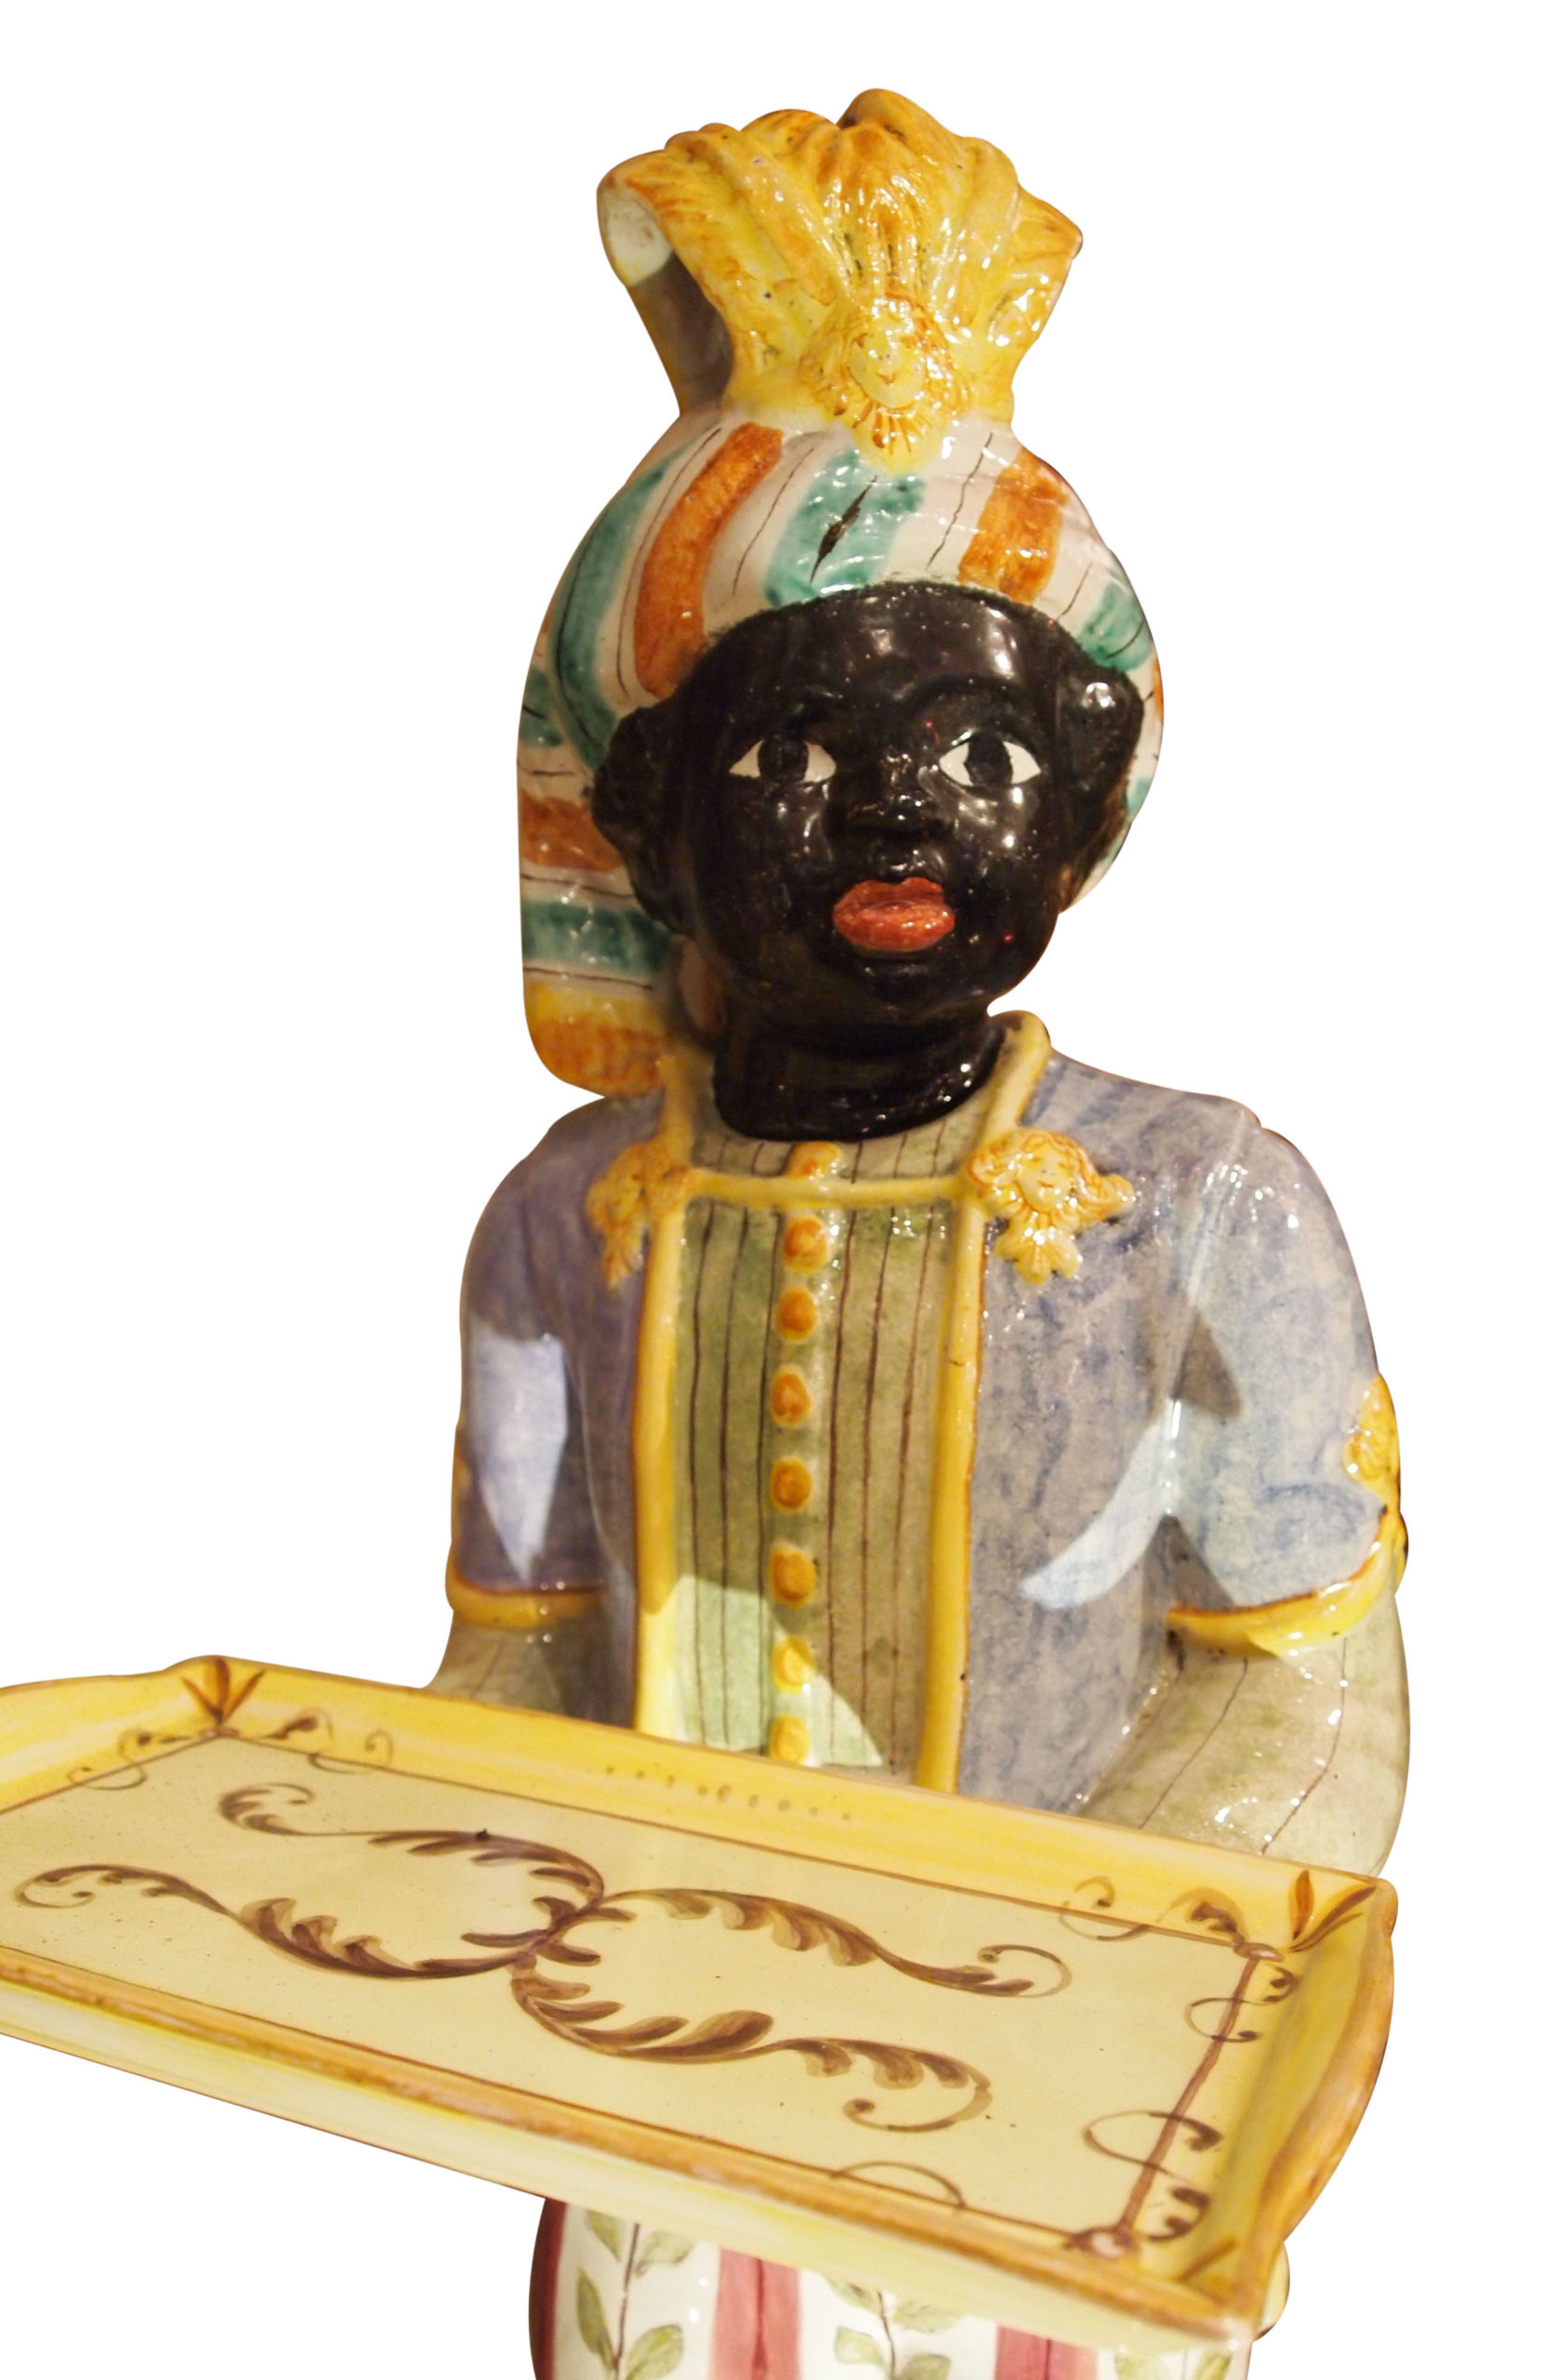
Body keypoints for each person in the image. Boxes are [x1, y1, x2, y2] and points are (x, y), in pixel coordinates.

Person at [431, 93, 1408, 2380]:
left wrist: (1057, 1969)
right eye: (795, 742)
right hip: (658, 2095)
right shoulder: (562, 1219)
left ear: (1084, 796)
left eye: (979, 743)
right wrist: (460, 1925)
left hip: (1054, 2089)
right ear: (646, 816)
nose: (896, 803)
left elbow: (1300, 1687)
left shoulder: (1200, 1202)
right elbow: (511, 1653)